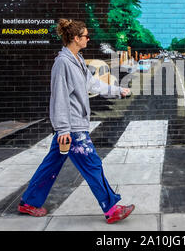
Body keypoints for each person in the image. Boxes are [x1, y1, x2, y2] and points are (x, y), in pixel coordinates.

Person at [17, 19, 135, 224]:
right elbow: (59, 97)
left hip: (71, 127)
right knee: (92, 164)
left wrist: (118, 91)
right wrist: (63, 129)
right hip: (72, 128)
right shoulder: (62, 63)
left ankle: (28, 202)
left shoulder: (77, 59)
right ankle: (111, 209)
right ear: (75, 38)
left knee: (51, 164)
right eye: (86, 36)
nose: (89, 39)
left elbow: (93, 84)